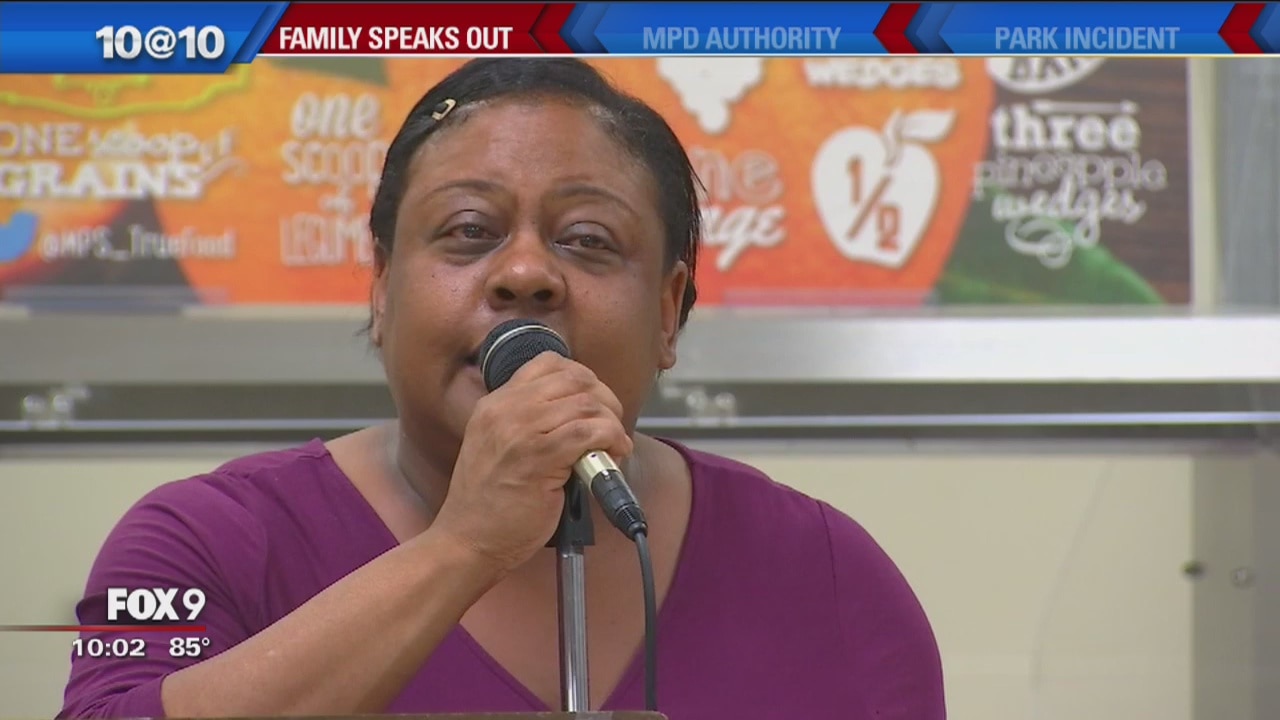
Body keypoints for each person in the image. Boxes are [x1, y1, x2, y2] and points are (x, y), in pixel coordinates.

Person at [58, 58, 945, 719]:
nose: (525, 273)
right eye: (469, 230)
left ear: (669, 312)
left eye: (588, 240)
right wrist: (465, 545)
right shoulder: (203, 543)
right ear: (381, 289)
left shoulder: (827, 573)